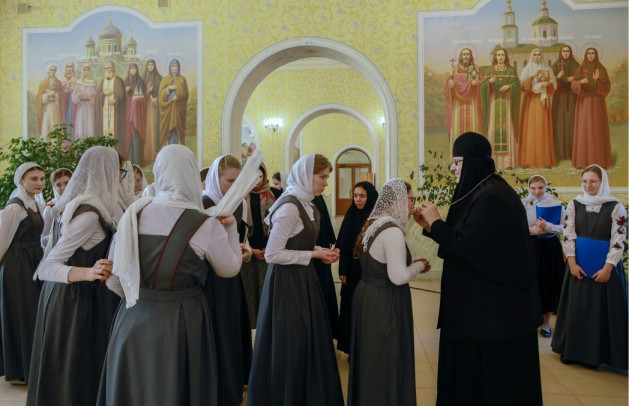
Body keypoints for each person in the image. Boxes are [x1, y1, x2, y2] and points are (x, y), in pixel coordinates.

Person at [96, 145, 244, 406]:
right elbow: (229, 268)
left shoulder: (133, 214)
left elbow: (115, 278)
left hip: (132, 316)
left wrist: (141, 297)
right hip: (182, 319)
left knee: (133, 389)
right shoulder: (204, 222)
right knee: (176, 388)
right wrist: (231, 228)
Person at [415, 132, 543, 406]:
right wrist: (432, 228)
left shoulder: (492, 197)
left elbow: (469, 247)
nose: (453, 168)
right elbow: (466, 241)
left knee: (490, 386)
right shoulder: (481, 191)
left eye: (458, 162)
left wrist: (437, 224)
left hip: (493, 318)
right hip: (478, 312)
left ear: (473, 162)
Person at [27, 146, 122, 406]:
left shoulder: (86, 205)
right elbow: (47, 266)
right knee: (74, 371)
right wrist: (90, 272)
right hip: (75, 298)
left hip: (68, 295)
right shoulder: (89, 214)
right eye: (118, 172)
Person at [247, 154, 344, 406]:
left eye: (327, 177)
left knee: (306, 342)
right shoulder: (289, 206)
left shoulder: (308, 203)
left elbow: (299, 243)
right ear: (306, 175)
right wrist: (314, 254)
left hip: (303, 280)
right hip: (286, 285)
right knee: (291, 344)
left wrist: (321, 251)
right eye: (322, 177)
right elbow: (272, 254)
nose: (325, 183)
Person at [348, 179, 430, 406]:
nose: (413, 205)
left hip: (368, 296)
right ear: (399, 200)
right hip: (384, 301)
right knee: (387, 360)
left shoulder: (376, 223)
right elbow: (398, 276)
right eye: (411, 199)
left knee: (372, 359)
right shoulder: (392, 231)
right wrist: (419, 266)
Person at [551, 165, 627, 371]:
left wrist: (607, 269)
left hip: (605, 268)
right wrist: (572, 263)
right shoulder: (575, 204)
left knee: (601, 312)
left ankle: (599, 356)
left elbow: (618, 240)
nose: (588, 185)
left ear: (602, 182)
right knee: (578, 308)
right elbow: (568, 235)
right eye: (584, 181)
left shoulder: (615, 206)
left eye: (593, 181)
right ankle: (574, 352)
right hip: (579, 266)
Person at [202, 154, 253, 406]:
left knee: (232, 327)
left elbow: (242, 238)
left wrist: (247, 250)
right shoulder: (204, 202)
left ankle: (234, 380)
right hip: (209, 278)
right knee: (216, 329)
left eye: (237, 181)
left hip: (232, 275)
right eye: (229, 181)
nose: (234, 187)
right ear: (215, 178)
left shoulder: (240, 203)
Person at [0, 163, 45, 384]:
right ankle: (22, 370)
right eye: (34, 179)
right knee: (22, 315)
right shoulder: (14, 208)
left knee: (33, 314)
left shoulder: (35, 204)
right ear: (21, 181)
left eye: (42, 178)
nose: (39, 183)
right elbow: (2, 241)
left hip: (33, 262)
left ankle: (33, 368)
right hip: (17, 267)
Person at [336, 181, 378, 355]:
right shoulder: (351, 215)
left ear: (370, 197)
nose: (358, 199)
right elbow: (343, 247)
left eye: (362, 196)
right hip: (352, 272)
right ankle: (351, 348)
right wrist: (342, 270)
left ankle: (366, 349)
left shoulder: (377, 219)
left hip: (370, 271)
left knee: (367, 310)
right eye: (355, 196)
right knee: (351, 308)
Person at [522, 175, 565, 337]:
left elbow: (565, 228)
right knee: (531, 282)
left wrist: (549, 226)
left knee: (548, 283)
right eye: (533, 188)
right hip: (530, 245)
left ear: (546, 187)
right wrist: (530, 230)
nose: (537, 191)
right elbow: (514, 226)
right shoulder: (523, 204)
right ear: (529, 188)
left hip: (550, 247)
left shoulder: (556, 204)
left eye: (540, 188)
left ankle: (546, 325)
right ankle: (529, 321)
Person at [241, 163, 275, 326]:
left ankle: (264, 323)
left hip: (267, 249)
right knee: (248, 288)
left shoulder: (272, 194)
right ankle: (251, 324)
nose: (258, 178)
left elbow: (277, 224)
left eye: (260, 174)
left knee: (264, 288)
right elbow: (239, 227)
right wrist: (251, 249)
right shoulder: (241, 196)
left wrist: (269, 247)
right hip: (247, 249)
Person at [571, 48, 612, 169]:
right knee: (583, 129)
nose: (591, 55)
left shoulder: (601, 68)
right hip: (584, 101)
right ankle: (582, 162)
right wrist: (581, 82)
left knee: (597, 129)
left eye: (593, 53)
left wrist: (597, 80)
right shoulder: (581, 68)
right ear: (586, 55)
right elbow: (573, 85)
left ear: (596, 55)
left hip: (597, 101)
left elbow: (607, 86)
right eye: (589, 53)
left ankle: (599, 161)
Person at [480, 47, 520, 169]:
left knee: (508, 129)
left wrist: (509, 86)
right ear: (495, 57)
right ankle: (493, 162)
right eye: (498, 55)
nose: (501, 57)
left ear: (506, 56)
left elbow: (517, 85)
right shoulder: (490, 70)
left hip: (507, 102)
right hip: (494, 103)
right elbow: (482, 87)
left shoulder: (511, 70)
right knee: (493, 128)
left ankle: (508, 163)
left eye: (503, 55)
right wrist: (489, 82)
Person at [518, 48, 556, 168]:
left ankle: (544, 161)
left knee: (542, 128)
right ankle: (528, 160)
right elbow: (521, 85)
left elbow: (554, 83)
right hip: (530, 101)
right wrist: (532, 76)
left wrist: (548, 84)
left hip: (542, 101)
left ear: (542, 56)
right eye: (535, 55)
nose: (537, 57)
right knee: (530, 129)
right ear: (532, 56)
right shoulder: (527, 69)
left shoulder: (547, 68)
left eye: (539, 54)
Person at [444, 48, 483, 155]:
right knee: (458, 132)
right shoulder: (454, 70)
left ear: (471, 56)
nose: (465, 56)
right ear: (460, 57)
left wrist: (477, 83)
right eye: (464, 54)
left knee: (473, 131)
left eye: (468, 54)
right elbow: (448, 88)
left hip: (472, 104)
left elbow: (483, 83)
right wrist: (450, 82)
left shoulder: (476, 69)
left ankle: (473, 158)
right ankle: (458, 158)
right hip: (458, 105)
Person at [312, 194, 339, 338]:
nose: (325, 183)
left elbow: (323, 226)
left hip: (320, 253)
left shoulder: (316, 198)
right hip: (313, 256)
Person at [551, 45, 579, 161]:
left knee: (571, 123)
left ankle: (572, 153)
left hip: (572, 98)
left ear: (570, 52)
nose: (566, 53)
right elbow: (550, 82)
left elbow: (580, 79)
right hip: (559, 98)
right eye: (564, 51)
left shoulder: (576, 65)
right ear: (560, 53)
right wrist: (558, 77)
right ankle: (559, 154)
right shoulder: (555, 65)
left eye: (568, 51)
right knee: (559, 124)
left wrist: (573, 80)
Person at [158, 59, 189, 146]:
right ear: (170, 67)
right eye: (172, 66)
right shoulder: (165, 79)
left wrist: (178, 96)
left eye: (176, 66)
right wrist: (168, 89)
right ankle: (168, 147)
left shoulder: (182, 79)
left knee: (176, 128)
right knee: (169, 129)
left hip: (178, 108)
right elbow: (161, 95)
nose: (174, 68)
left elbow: (185, 94)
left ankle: (177, 147)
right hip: (168, 108)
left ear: (178, 67)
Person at [41, 168, 72, 248]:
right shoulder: (51, 207)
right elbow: (43, 239)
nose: (63, 188)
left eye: (67, 183)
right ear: (54, 187)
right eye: (58, 185)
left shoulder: (81, 201)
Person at [123, 63, 147, 165]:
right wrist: (125, 91)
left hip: (137, 113)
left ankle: (137, 161)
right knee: (129, 136)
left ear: (137, 70)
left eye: (134, 68)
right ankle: (129, 159)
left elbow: (144, 97)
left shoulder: (140, 81)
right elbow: (121, 96)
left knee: (136, 135)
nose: (133, 70)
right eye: (131, 68)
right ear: (129, 70)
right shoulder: (125, 81)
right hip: (128, 111)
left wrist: (136, 99)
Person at [95, 62, 126, 140]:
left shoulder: (118, 80)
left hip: (115, 109)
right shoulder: (102, 81)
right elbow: (97, 96)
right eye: (106, 68)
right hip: (104, 108)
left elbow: (122, 94)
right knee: (105, 129)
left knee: (114, 129)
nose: (108, 70)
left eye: (110, 68)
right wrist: (103, 94)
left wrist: (116, 100)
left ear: (113, 69)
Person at [143, 59, 162, 163]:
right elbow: (139, 94)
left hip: (155, 107)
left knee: (154, 127)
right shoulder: (142, 79)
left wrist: (157, 99)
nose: (150, 66)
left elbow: (163, 93)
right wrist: (148, 92)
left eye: (152, 65)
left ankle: (155, 153)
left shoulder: (159, 78)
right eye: (149, 65)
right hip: (145, 107)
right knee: (147, 128)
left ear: (154, 66)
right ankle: (147, 154)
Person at [36, 65, 62, 139]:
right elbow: (39, 97)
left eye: (54, 70)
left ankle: (55, 142)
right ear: (48, 71)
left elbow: (61, 95)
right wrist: (47, 95)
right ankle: (46, 142)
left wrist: (56, 95)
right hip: (46, 107)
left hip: (55, 106)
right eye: (51, 70)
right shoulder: (43, 82)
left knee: (54, 123)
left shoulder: (58, 82)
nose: (53, 72)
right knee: (46, 123)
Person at [71, 65, 97, 139]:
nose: (86, 72)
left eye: (87, 70)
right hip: (81, 106)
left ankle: (90, 143)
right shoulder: (78, 83)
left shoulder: (93, 83)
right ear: (82, 71)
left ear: (90, 72)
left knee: (90, 124)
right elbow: (73, 97)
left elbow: (96, 97)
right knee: (80, 123)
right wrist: (78, 95)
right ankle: (80, 143)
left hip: (89, 106)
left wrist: (92, 96)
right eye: (84, 70)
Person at [60, 62, 78, 139]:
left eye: (71, 67)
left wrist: (73, 90)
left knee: (73, 118)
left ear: (73, 68)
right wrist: (64, 92)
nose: (69, 68)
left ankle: (73, 137)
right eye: (68, 67)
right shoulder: (62, 80)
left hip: (73, 103)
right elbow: (59, 92)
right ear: (65, 68)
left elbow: (79, 92)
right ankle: (65, 138)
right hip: (65, 103)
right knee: (64, 119)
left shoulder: (76, 80)